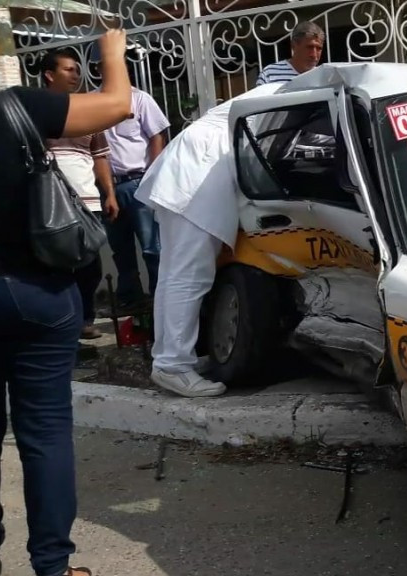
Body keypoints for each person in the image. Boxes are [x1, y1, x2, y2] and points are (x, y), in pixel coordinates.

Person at [0, 29, 132, 576]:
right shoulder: (17, 108)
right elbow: (116, 106)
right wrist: (110, 51)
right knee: (43, 435)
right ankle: (52, 572)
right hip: (35, 295)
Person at [136, 82, 285, 398]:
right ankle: (173, 366)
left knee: (174, 275)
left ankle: (171, 360)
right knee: (188, 277)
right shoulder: (296, 95)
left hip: (193, 167)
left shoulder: (286, 90)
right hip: (199, 171)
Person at [41, 48, 119, 340]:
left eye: (77, 69)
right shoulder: (37, 109)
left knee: (90, 266)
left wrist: (109, 193)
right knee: (56, 266)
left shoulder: (89, 108)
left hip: (87, 202)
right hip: (51, 203)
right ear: (50, 75)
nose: (75, 75)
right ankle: (63, 322)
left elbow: (100, 157)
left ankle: (85, 319)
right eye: (68, 70)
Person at [103, 82, 170, 312]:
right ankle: (130, 299)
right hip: (109, 186)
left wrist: (152, 177)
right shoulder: (93, 102)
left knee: (152, 247)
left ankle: (159, 299)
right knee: (121, 249)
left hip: (138, 181)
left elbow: (156, 136)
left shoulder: (140, 98)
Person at [256, 22, 324, 86]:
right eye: (309, 47)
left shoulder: (324, 77)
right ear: (294, 45)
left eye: (319, 48)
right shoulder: (269, 74)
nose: (314, 55)